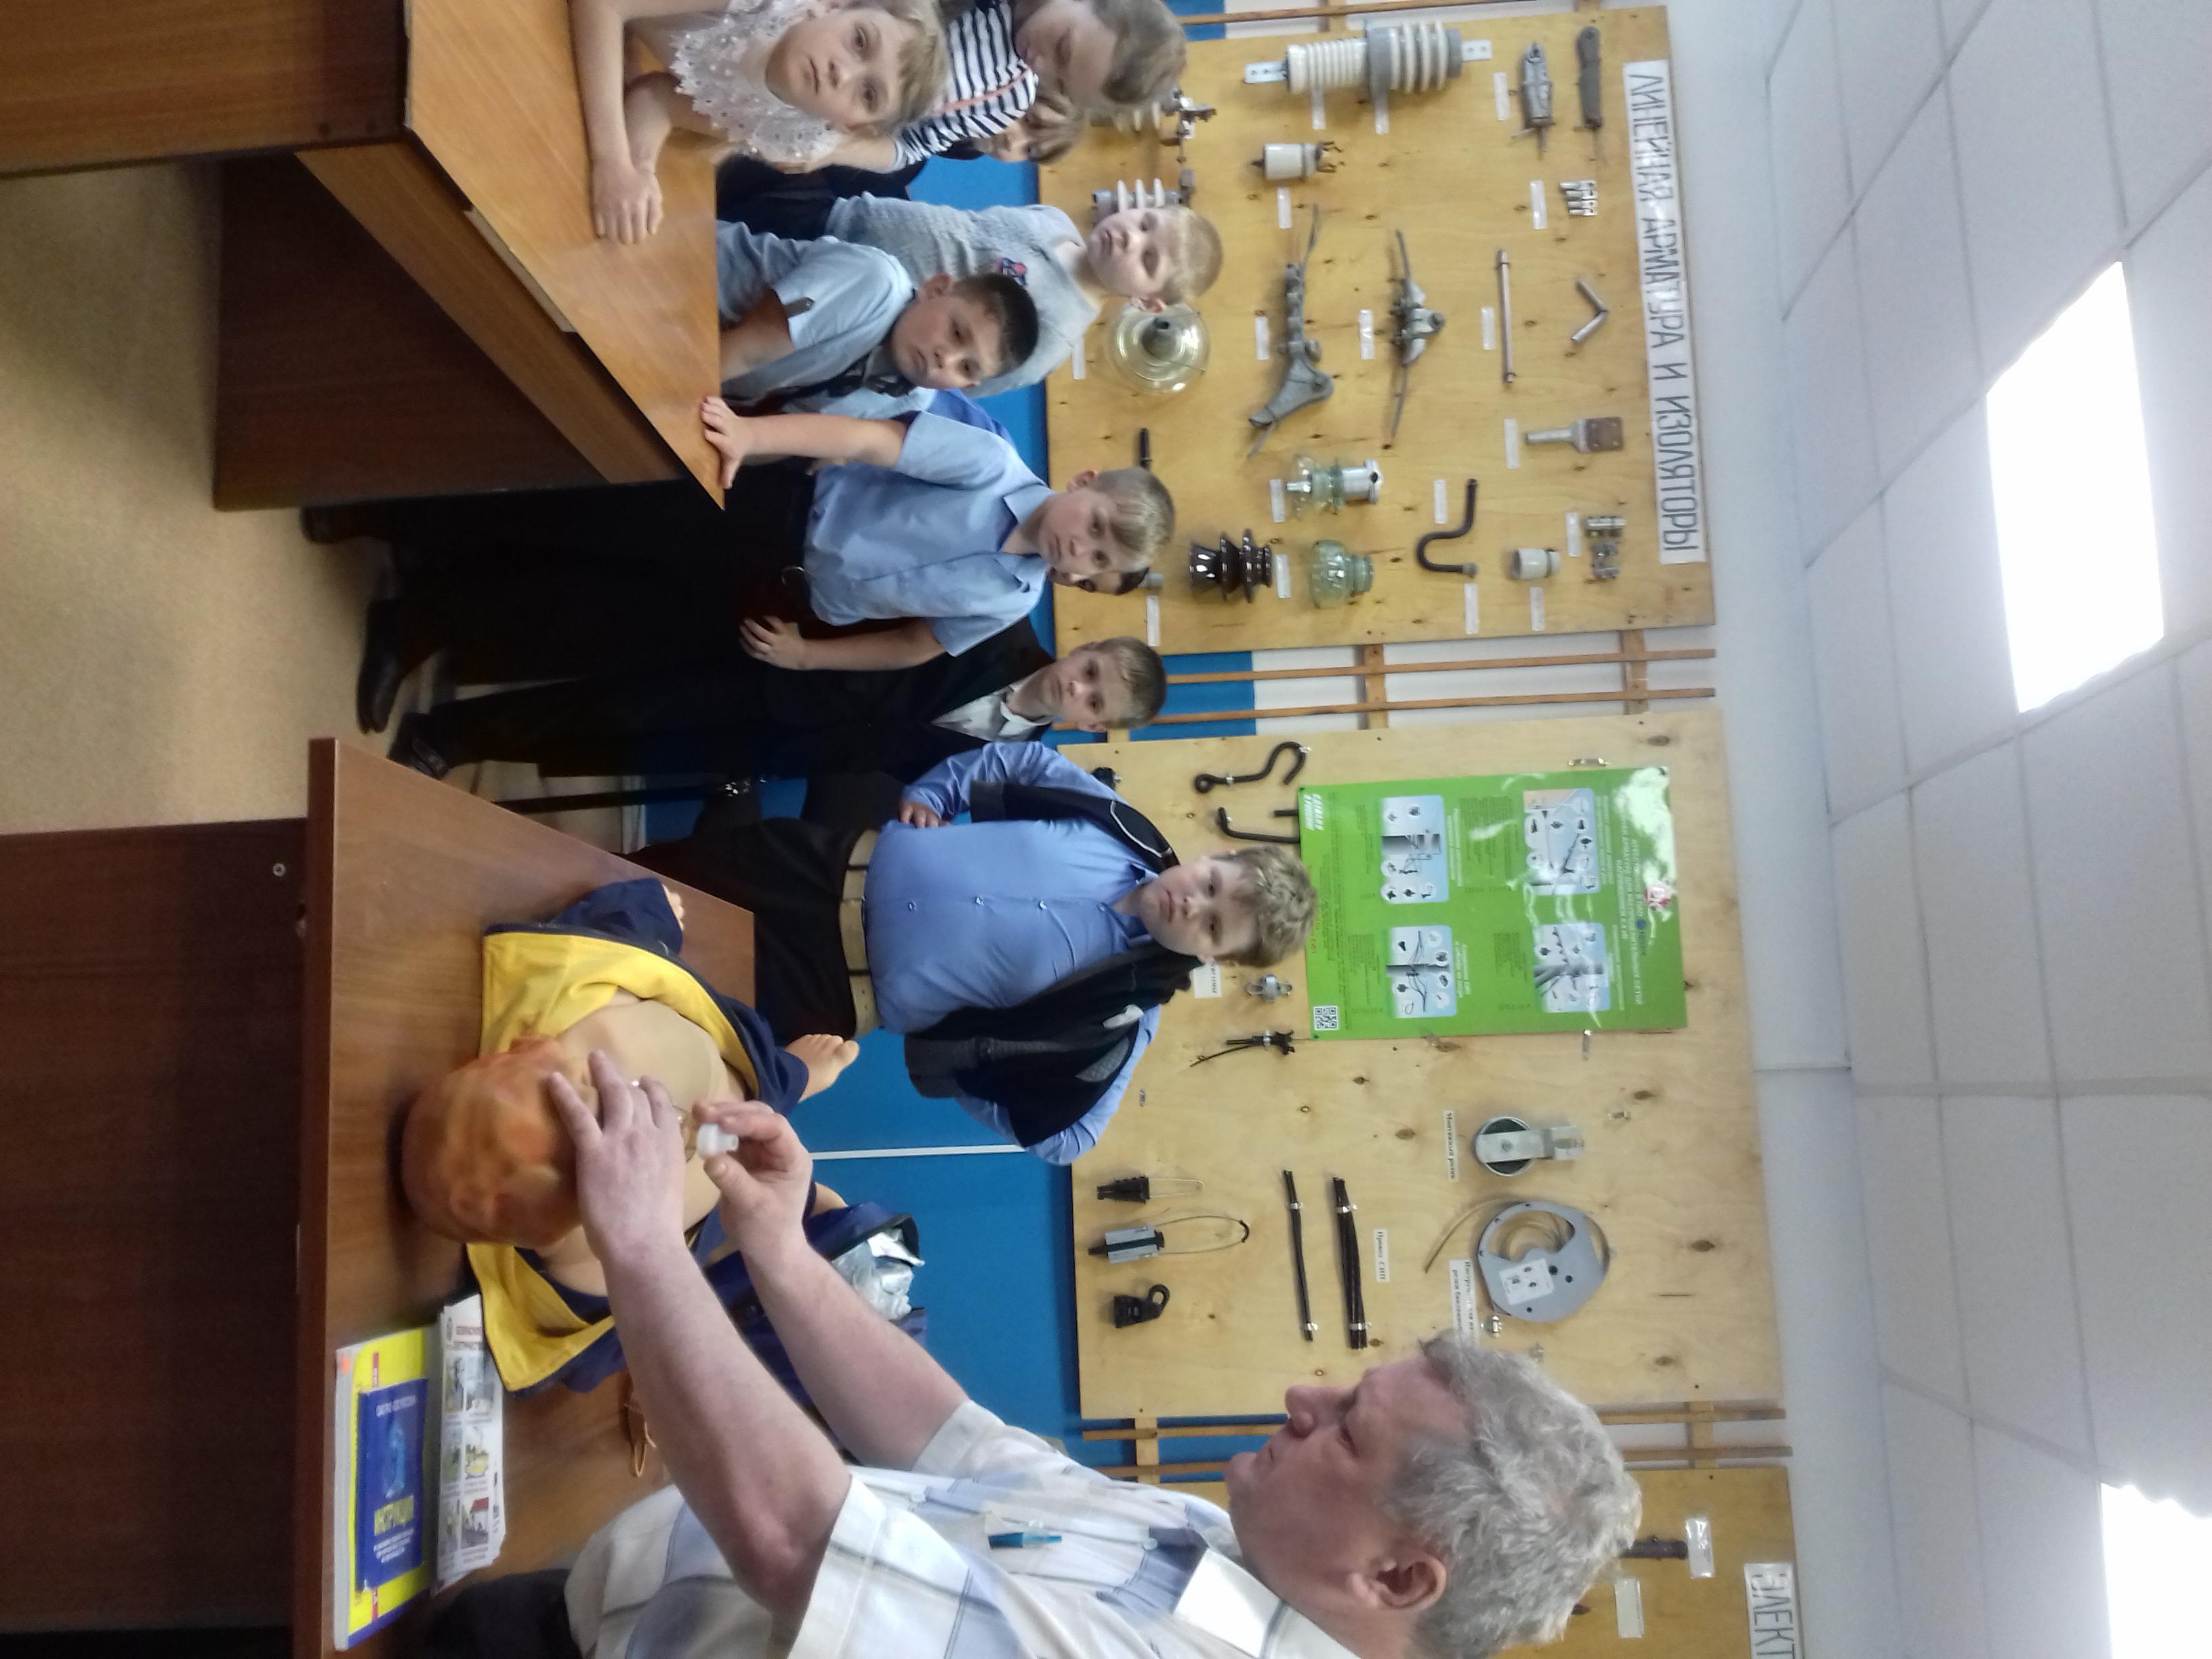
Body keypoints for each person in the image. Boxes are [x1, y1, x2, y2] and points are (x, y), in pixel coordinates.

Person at [419, 1074, 1643, 1659]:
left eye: (1349, 1430)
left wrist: (642, 1243)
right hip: (583, 1609)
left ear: (1396, 1575)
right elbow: (955, 1445)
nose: (1300, 1398)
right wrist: (781, 1249)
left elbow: (796, 1542)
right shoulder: (1233, 1556)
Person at [629, 741, 1317, 1162]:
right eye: (1211, 884)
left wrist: (969, 1063)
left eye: (1215, 926)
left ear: (1219, 960)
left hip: (823, 987)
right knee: (627, 882)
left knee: (643, 991)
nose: (1194, 905)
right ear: (1214, 856)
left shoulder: (1122, 1016)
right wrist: (938, 791)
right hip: (817, 863)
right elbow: (1023, 761)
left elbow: (1064, 1140)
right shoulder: (1119, 827)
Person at [396, 877, 862, 1391]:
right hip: (714, 1193)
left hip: (735, 1069)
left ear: (531, 1046)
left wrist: (649, 912)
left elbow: (607, 944)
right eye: (589, 1176)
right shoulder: (580, 1282)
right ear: (544, 1238)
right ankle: (791, 1188)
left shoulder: (575, 999)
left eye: (595, 1094)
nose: (641, 1124)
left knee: (753, 1082)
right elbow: (607, 1346)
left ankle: (792, 1078)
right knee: (736, 1192)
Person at [698, 395, 1169, 672]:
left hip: (785, 604)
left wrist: (807, 655)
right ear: (1084, 481)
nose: (1080, 548)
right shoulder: (991, 464)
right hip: (775, 515)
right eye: (1094, 525)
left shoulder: (1015, 600)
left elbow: (915, 644)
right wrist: (752, 436)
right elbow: (867, 438)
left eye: (1099, 559)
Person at [382, 628, 1166, 789]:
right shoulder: (998, 629)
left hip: (792, 752)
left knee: (622, 751)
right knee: (621, 705)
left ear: (1094, 726)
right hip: (789, 682)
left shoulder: (1010, 762)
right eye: (1090, 671)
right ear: (1082, 648)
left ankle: (475, 746)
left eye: (1095, 701)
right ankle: (447, 731)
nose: (1079, 688)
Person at [569, 0, 949, 242]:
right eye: (860, 41)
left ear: (851, 126)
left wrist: (639, 170)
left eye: (868, 94)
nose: (843, 73)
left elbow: (660, 100)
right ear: (835, 5)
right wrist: (612, 161)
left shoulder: (782, 131)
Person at [799, 194, 1223, 395]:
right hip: (842, 216)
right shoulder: (1054, 218)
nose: (1131, 238)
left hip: (835, 306)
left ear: (1146, 303)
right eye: (1145, 223)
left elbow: (944, 379)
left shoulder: (1050, 338)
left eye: (1148, 259)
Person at [713, 220, 1038, 411]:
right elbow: (748, 349)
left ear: (969, 385)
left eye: (965, 368)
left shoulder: (908, 398)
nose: (946, 359)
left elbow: (783, 425)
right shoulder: (876, 281)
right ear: (935, 289)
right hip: (694, 285)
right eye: (956, 333)